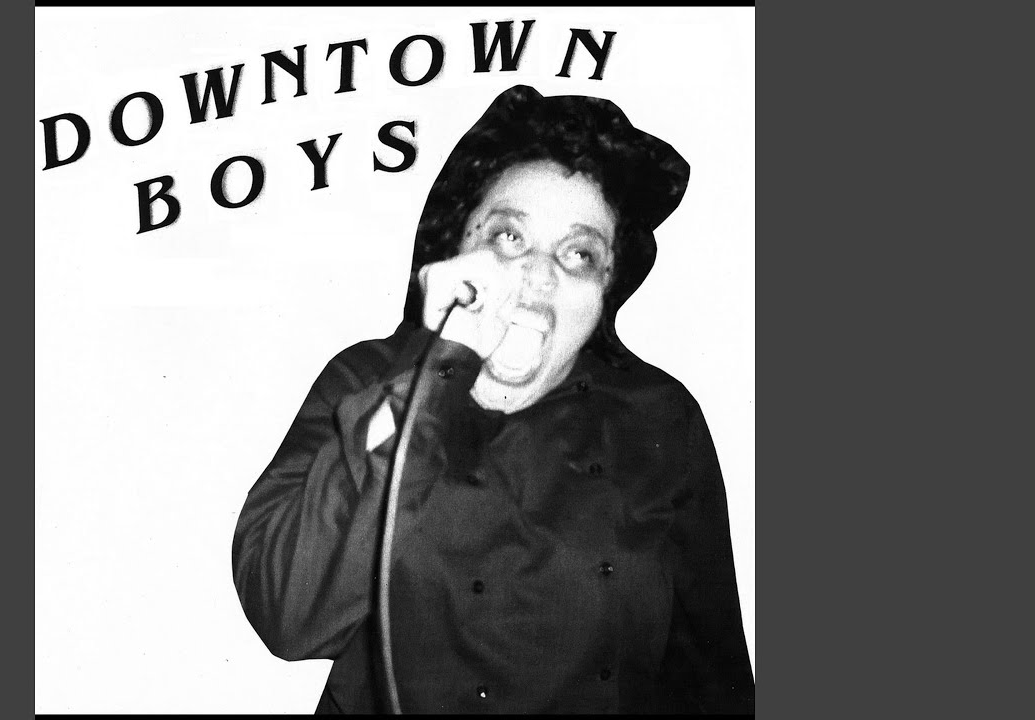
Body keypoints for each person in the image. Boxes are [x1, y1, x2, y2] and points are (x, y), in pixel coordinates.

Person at [232, 84, 754, 714]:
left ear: (607, 291)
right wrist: (438, 373)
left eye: (579, 254)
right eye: (509, 237)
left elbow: (713, 679)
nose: (539, 274)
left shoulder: (658, 416)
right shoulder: (367, 377)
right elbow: (288, 614)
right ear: (455, 248)